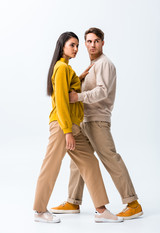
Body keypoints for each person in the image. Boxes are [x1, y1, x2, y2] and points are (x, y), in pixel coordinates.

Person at [51, 28, 143, 220]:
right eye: (89, 41)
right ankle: (73, 201)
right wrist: (80, 79)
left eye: (96, 41)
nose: (92, 45)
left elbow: (102, 92)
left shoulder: (105, 64)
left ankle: (133, 203)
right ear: (85, 44)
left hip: (98, 120)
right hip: (85, 119)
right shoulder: (93, 65)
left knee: (110, 158)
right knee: (79, 161)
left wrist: (78, 96)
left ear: (102, 43)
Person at [33, 31, 124, 223]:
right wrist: (67, 132)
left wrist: (79, 78)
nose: (76, 49)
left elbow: (69, 91)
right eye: (71, 45)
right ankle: (40, 211)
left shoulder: (67, 69)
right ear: (62, 47)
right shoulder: (61, 68)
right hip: (62, 126)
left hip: (73, 126)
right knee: (51, 166)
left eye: (76, 45)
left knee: (90, 163)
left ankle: (101, 210)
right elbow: (62, 102)